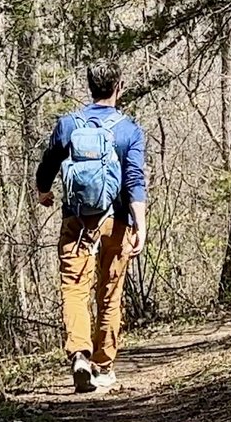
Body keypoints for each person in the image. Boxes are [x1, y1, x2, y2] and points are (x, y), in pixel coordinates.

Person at [35, 63, 147, 393]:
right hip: (117, 221)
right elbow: (134, 180)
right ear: (119, 87)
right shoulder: (129, 130)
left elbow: (49, 162)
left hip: (76, 220)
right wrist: (140, 223)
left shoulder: (69, 124)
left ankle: (80, 355)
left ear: (89, 86)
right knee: (110, 293)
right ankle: (103, 365)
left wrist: (44, 191)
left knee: (74, 288)